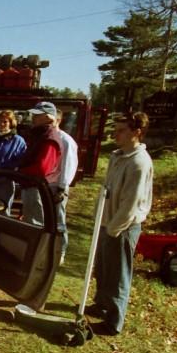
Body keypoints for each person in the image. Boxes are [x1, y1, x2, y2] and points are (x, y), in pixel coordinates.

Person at [87, 112, 153, 336]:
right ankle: (101, 305)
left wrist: (115, 228)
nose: (115, 133)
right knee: (103, 268)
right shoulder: (117, 156)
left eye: (121, 130)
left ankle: (113, 322)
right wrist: (101, 220)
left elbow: (130, 203)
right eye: (115, 129)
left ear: (136, 132)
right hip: (107, 222)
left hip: (123, 226)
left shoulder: (139, 163)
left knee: (118, 274)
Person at [18, 101, 61, 226]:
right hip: (31, 186)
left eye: (37, 115)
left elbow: (42, 169)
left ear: (48, 117)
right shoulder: (41, 135)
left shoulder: (49, 138)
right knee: (29, 223)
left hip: (37, 188)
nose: (33, 118)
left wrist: (19, 171)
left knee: (35, 226)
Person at [54, 109, 79, 263]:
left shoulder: (66, 140)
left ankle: (60, 251)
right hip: (44, 185)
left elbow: (69, 165)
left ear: (58, 121)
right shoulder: (45, 138)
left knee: (58, 220)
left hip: (58, 186)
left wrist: (62, 188)